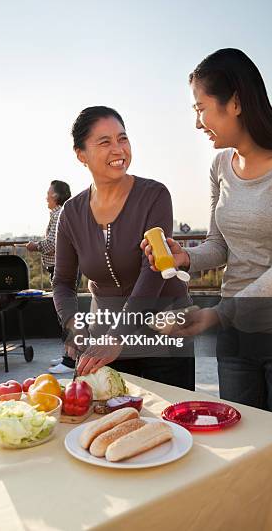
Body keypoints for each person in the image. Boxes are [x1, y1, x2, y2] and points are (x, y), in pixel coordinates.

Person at [142, 48, 272, 421]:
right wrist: (185, 256)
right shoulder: (221, 164)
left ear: (234, 102)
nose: (198, 122)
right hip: (236, 337)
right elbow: (219, 245)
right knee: (244, 440)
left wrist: (219, 314)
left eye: (200, 108)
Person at [52, 106, 195, 389]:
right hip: (103, 332)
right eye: (105, 142)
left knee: (171, 425)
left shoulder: (154, 195)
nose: (118, 150)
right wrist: (75, 327)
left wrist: (117, 337)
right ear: (81, 155)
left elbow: (153, 272)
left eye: (123, 139)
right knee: (105, 419)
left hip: (163, 331)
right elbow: (63, 282)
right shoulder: (71, 212)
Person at [26, 180, 75, 374]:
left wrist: (34, 246)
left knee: (67, 314)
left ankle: (71, 361)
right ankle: (68, 355)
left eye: (48, 193)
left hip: (63, 269)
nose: (46, 196)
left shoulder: (59, 214)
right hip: (62, 268)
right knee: (64, 314)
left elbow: (54, 243)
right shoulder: (62, 213)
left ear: (55, 196)